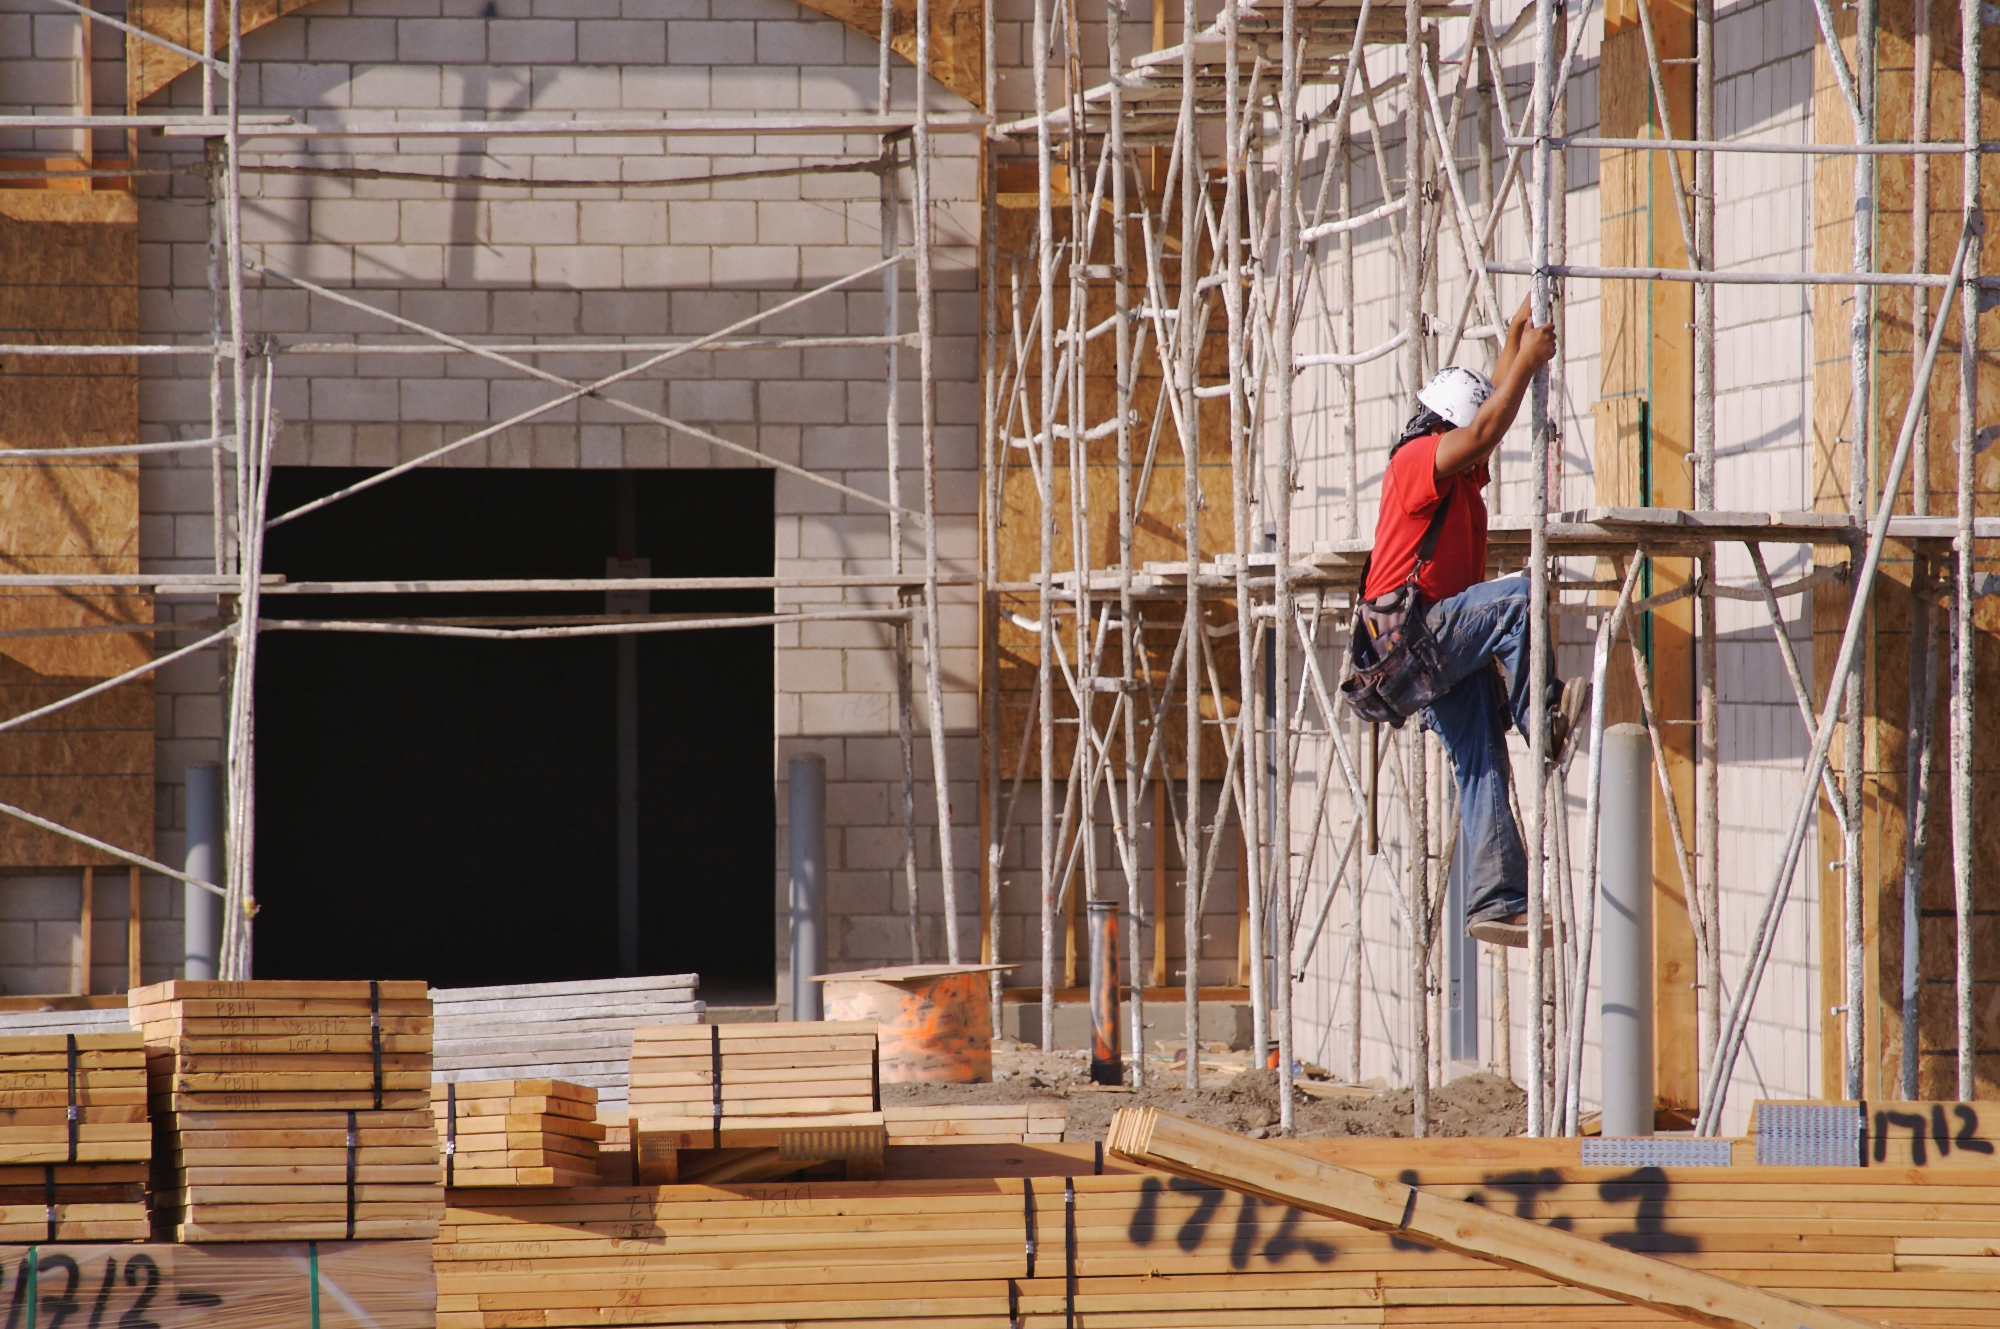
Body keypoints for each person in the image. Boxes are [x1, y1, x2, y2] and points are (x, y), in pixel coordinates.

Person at [1347, 297, 1585, 948]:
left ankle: (1496, 901)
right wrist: (1529, 366)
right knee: (1521, 595)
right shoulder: (1415, 460)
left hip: (1415, 653)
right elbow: (1479, 432)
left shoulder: (1457, 483)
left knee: (1482, 760)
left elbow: (1485, 427)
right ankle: (1547, 718)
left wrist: (1511, 353)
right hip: (1408, 638)